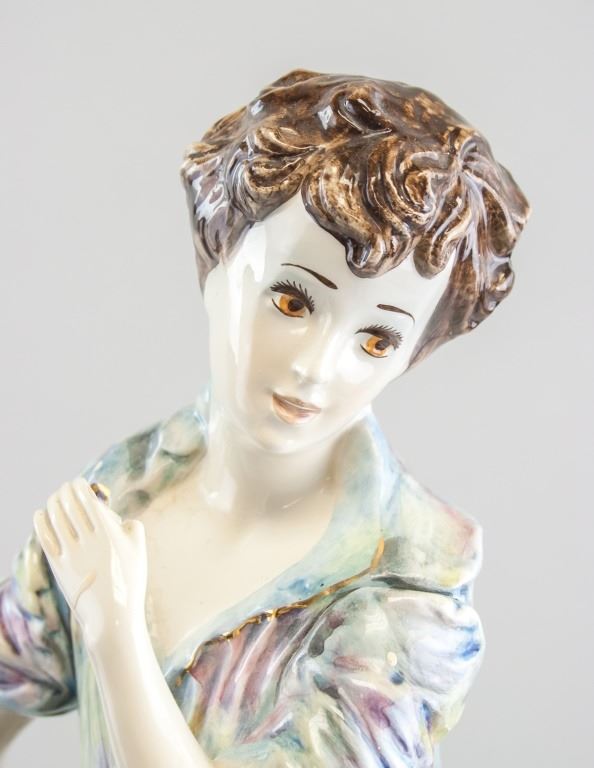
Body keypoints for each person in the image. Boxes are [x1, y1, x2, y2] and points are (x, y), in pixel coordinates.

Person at [0, 69, 530, 767]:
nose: (317, 367)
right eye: (292, 301)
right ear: (216, 258)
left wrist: (117, 634)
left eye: (377, 340)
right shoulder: (123, 489)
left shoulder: (405, 600)